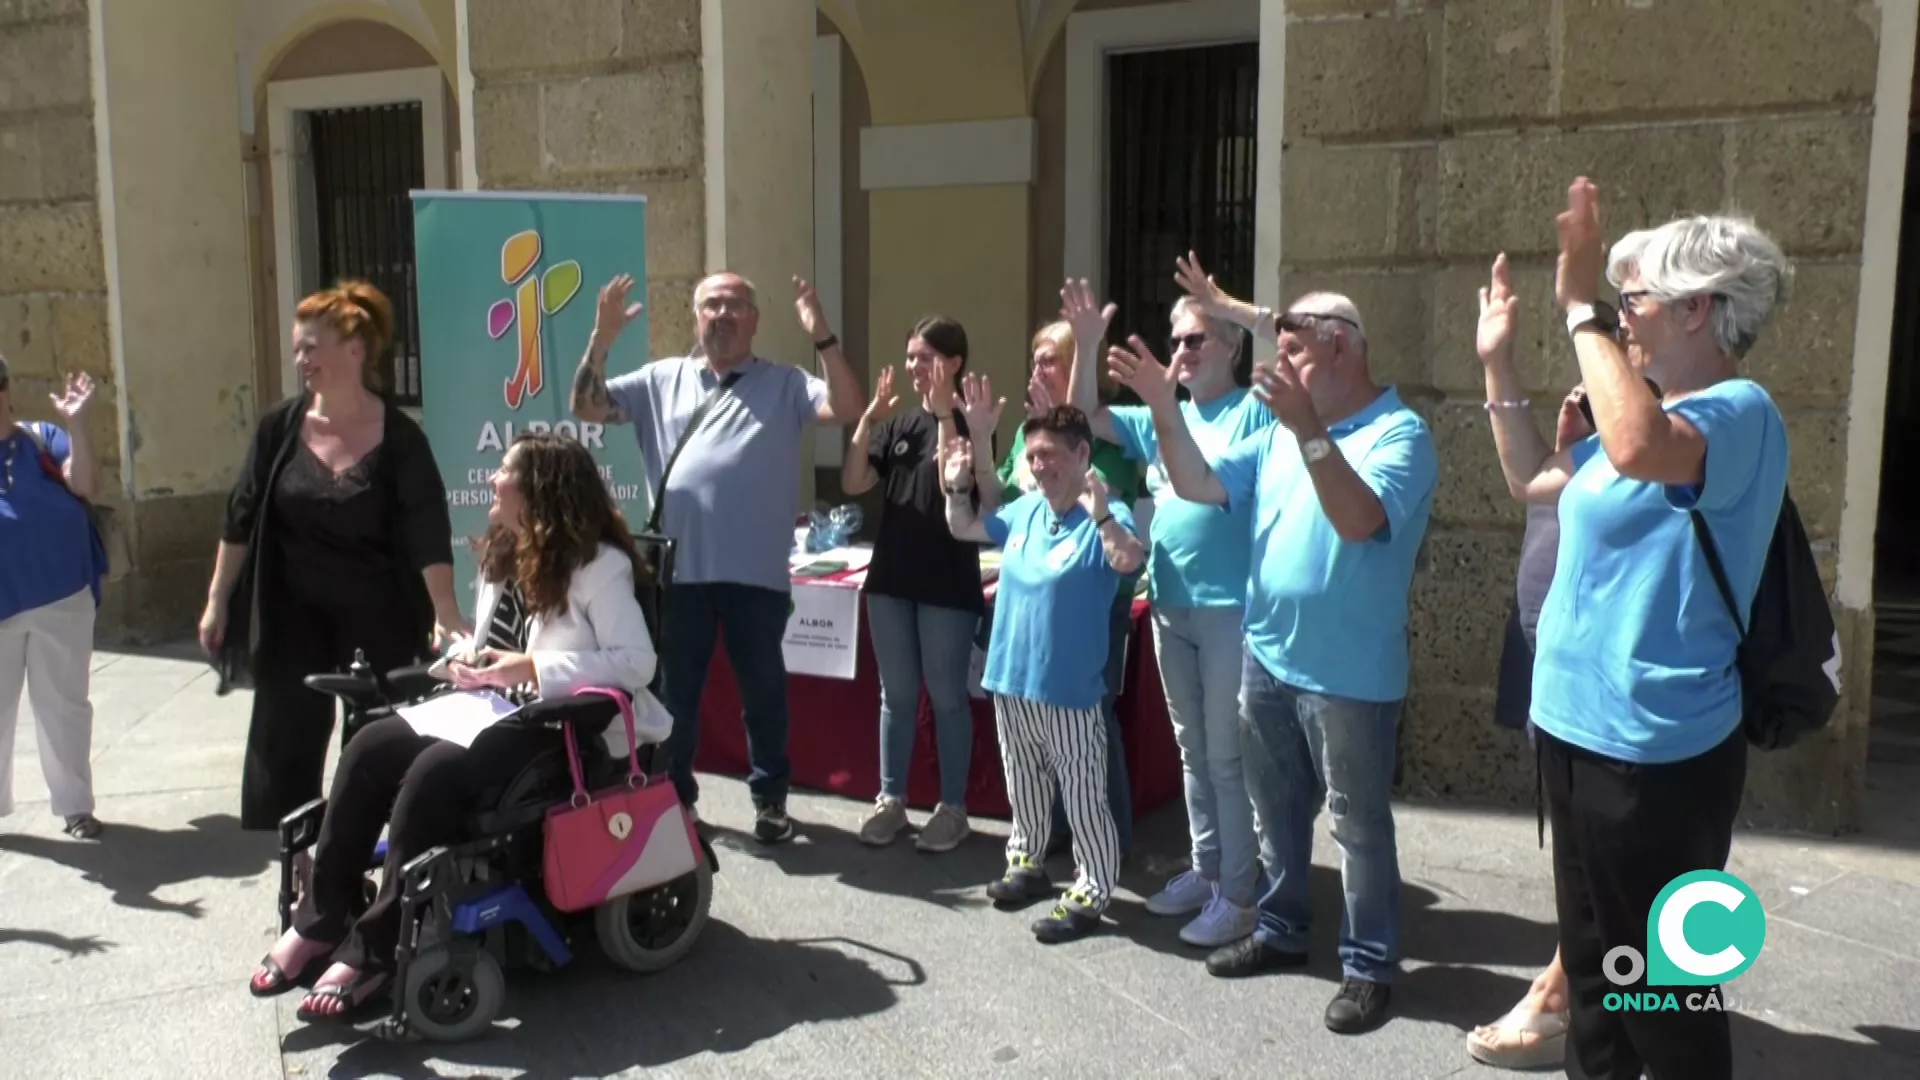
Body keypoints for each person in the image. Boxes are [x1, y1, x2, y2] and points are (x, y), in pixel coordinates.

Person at [1480, 179, 1791, 1080]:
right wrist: (1499, 360)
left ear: (1699, 309)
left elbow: (1639, 448)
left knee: (1662, 992)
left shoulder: (1740, 414)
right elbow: (1533, 478)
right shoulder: (1641, 409)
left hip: (1658, 754)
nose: (1624, 318)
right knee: (1597, 983)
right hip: (1576, 731)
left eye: (1635, 300)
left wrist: (1577, 306)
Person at [246, 432, 670, 1020]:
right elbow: (493, 641)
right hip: (492, 707)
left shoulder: (600, 566)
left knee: (433, 772)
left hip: (557, 726)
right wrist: (465, 656)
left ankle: (376, 949)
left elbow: (635, 662)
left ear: (538, 490)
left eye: (503, 472)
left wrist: (532, 668)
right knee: (371, 746)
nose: (492, 480)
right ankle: (322, 917)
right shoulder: (506, 552)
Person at [1111, 289, 1438, 1035]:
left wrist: (1311, 431)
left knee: (1357, 830)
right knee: (1278, 816)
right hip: (1269, 658)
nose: (1278, 363)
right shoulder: (1280, 433)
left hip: (1351, 676)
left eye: (1292, 347)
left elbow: (1358, 522)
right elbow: (1197, 483)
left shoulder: (1400, 432)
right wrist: (1164, 405)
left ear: (1342, 346)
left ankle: (1368, 965)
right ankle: (1285, 930)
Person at [569, 272, 864, 842]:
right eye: (712, 305)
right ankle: (676, 799)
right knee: (674, 697)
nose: (723, 315)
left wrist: (822, 334)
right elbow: (587, 407)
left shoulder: (784, 383)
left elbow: (849, 406)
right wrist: (601, 338)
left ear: (754, 319)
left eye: (736, 305)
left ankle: (770, 800)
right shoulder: (661, 379)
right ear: (695, 316)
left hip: (757, 578)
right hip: (679, 578)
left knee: (764, 695)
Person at [1469, 255, 1662, 1070]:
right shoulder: (1600, 426)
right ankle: (1590, 1010)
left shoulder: (1681, 429)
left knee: (1634, 881)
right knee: (1589, 875)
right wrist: (1497, 362)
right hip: (1563, 674)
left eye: (1629, 319)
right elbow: (1526, 480)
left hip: (1637, 699)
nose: (1616, 335)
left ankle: (1600, 1009)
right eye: (1612, 321)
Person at [203, 281, 468, 832]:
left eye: (310, 347)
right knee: (285, 746)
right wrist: (217, 600)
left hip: (381, 615)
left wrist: (445, 612)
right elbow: (241, 517)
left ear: (355, 350)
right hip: (293, 615)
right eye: (298, 348)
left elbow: (428, 530)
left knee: (381, 743)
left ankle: (372, 859)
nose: (300, 359)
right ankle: (299, 875)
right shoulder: (280, 428)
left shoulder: (400, 439)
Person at [1059, 268, 1273, 950]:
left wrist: (1227, 306)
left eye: (1199, 339)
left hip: (1230, 608)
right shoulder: (1162, 414)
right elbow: (1081, 422)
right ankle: (1208, 869)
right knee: (1192, 751)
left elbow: (1284, 339)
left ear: (1231, 349)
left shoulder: (1257, 408)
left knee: (1227, 757)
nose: (1182, 352)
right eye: (1176, 341)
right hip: (1171, 604)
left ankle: (1240, 895)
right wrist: (1087, 346)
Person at [942, 405, 1144, 943]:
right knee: (1023, 781)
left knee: (1083, 794)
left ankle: (1093, 885)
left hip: (1071, 690)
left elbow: (1129, 561)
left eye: (1049, 455)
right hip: (1012, 678)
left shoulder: (1110, 513)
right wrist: (956, 488)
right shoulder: (1027, 507)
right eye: (1031, 456)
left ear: (1082, 454)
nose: (1038, 466)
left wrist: (1101, 515)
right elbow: (963, 527)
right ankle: (1026, 861)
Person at [964, 318, 1145, 857]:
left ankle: (1110, 840)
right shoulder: (1027, 433)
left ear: (1078, 365)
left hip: (1092, 601)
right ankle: (1054, 832)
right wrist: (979, 441)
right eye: (1035, 358)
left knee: (1090, 722)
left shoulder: (1105, 436)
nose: (1037, 368)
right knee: (1038, 724)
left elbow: (1111, 507)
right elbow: (996, 498)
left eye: (1050, 358)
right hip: (1030, 598)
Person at [841, 316, 989, 853]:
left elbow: (953, 474)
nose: (912, 368)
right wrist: (868, 421)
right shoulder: (898, 425)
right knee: (896, 696)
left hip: (947, 582)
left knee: (948, 697)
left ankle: (953, 810)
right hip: (891, 579)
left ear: (953, 362)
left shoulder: (975, 424)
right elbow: (855, 481)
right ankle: (891, 801)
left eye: (924, 357)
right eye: (909, 358)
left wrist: (947, 408)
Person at [0, 356, 109, 839]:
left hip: (60, 594)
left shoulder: (41, 436)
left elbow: (85, 483)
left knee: (63, 706)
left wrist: (78, 424)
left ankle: (75, 807)